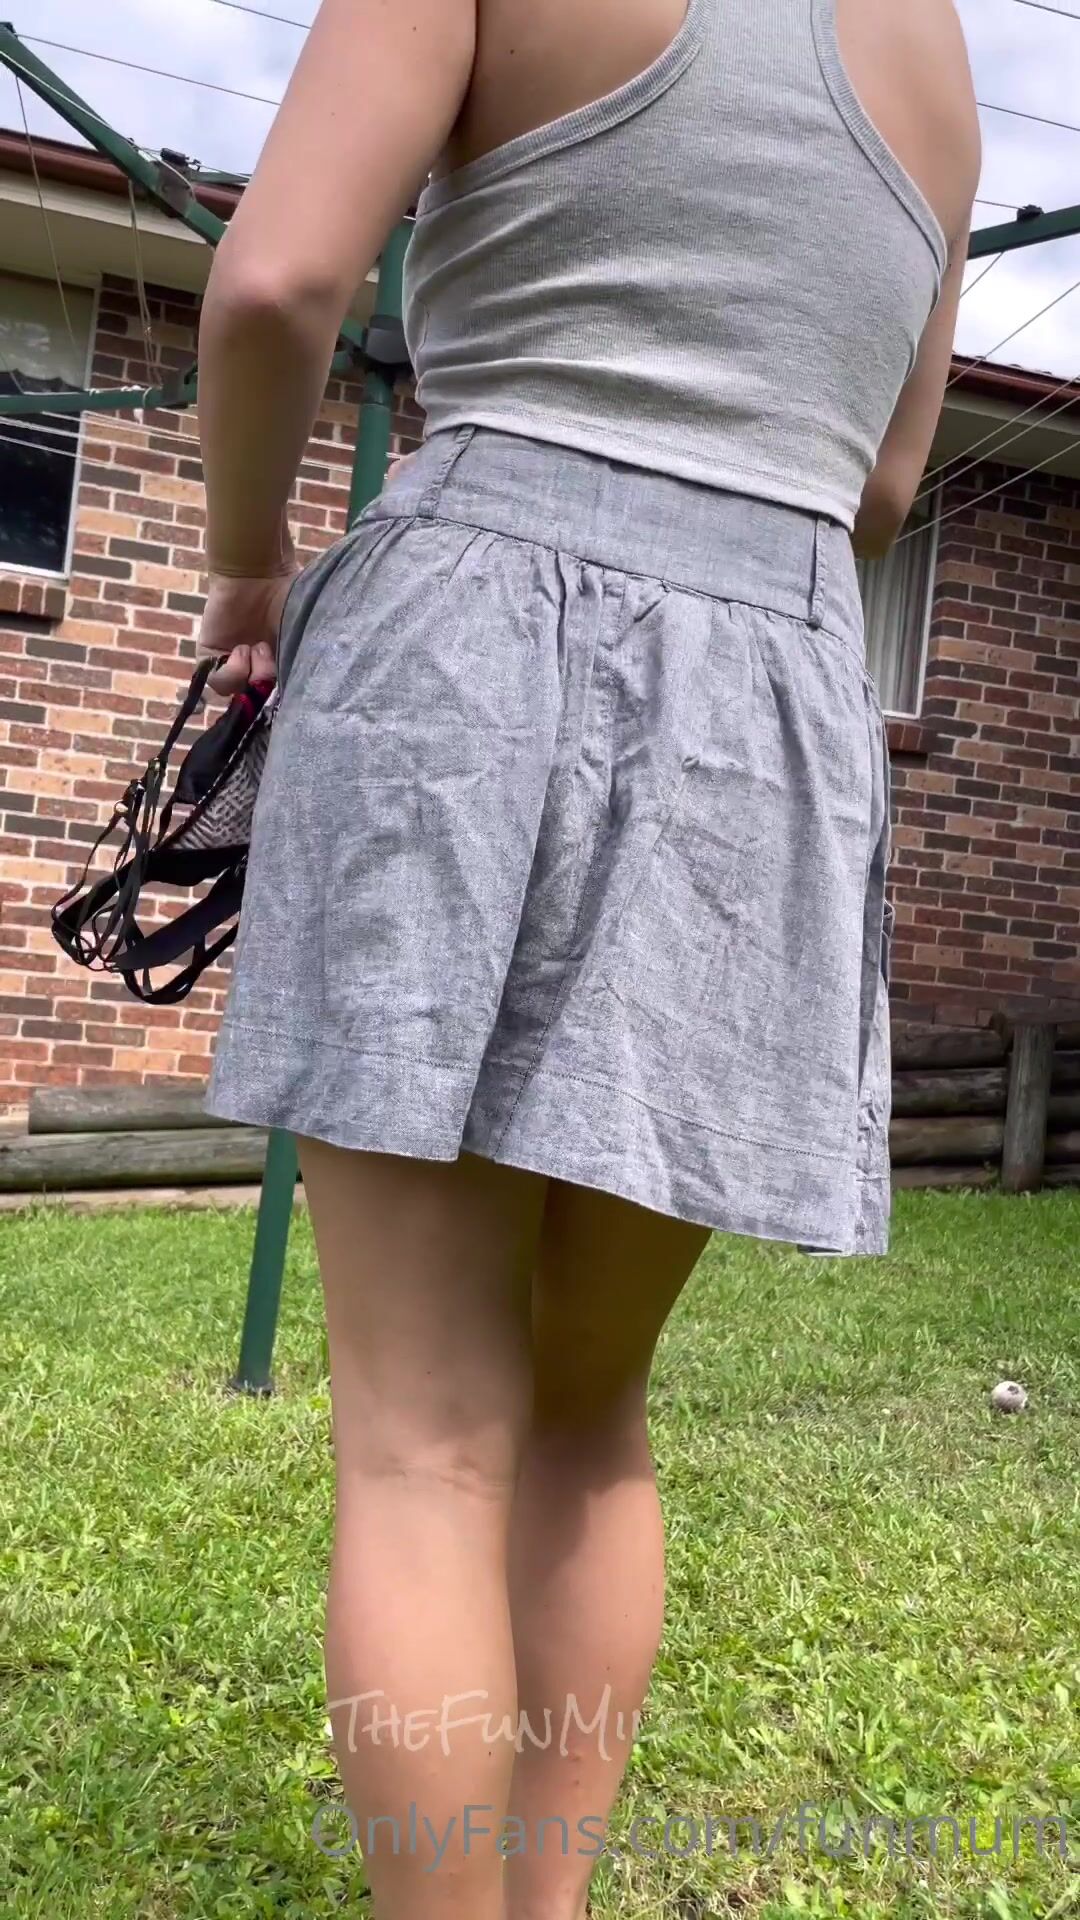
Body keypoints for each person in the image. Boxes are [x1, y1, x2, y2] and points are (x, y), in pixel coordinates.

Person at [196, 2, 980, 1914]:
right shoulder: (943, 57)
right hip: (775, 695)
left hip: (470, 626)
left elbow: (277, 284)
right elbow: (884, 486)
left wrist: (244, 559)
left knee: (424, 1442)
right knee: (588, 1407)